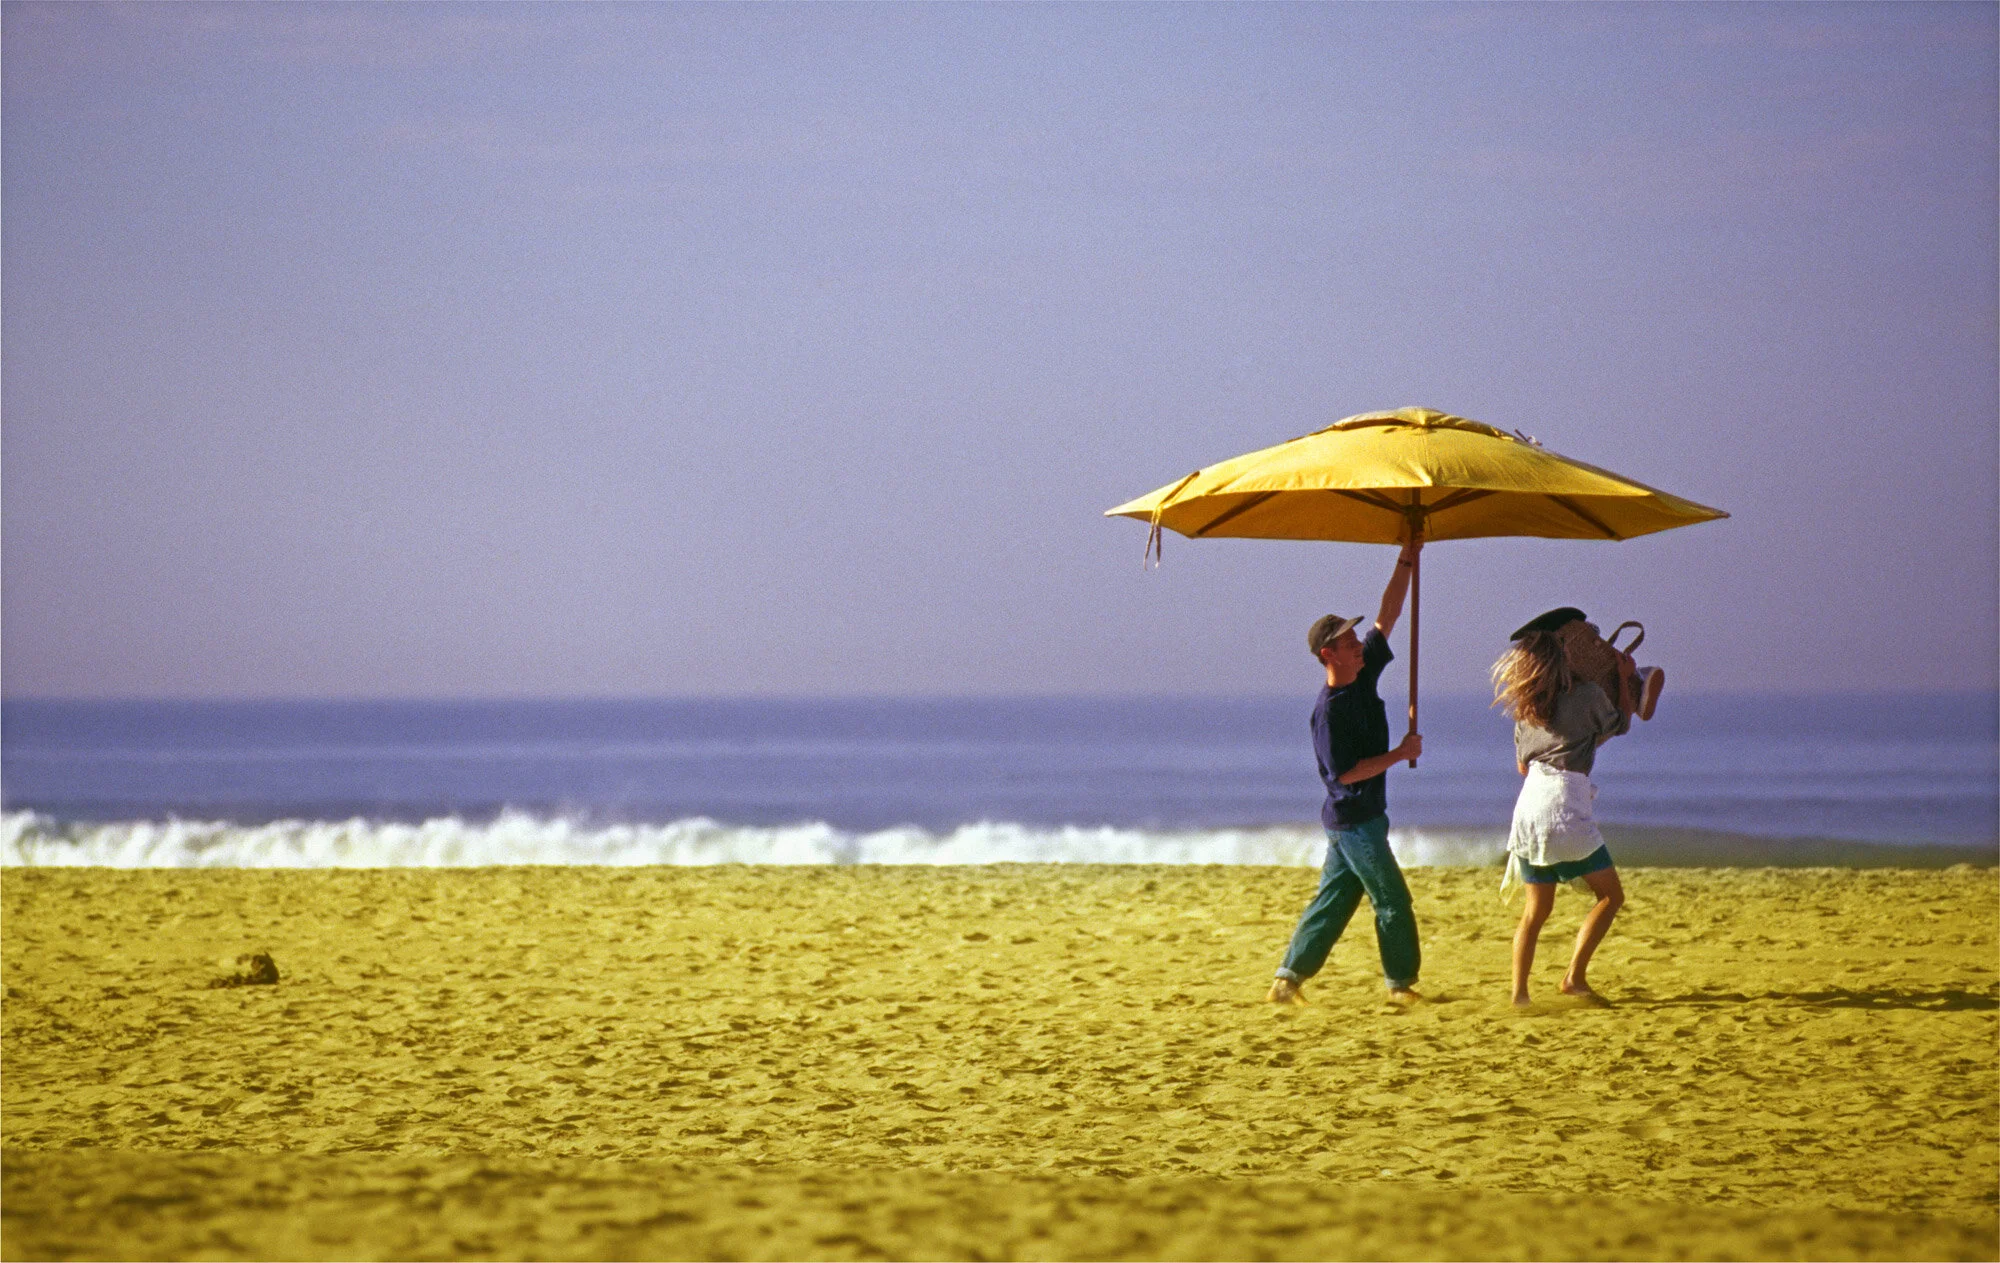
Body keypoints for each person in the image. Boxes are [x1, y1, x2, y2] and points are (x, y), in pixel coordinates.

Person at [1267, 534, 1425, 1007]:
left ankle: (1287, 980)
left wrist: (1407, 558)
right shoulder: (1329, 713)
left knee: (1334, 901)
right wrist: (1399, 753)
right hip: (1355, 819)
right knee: (1392, 900)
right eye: (1348, 643)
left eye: (1356, 641)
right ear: (1328, 655)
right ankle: (1400, 985)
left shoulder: (1363, 672)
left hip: (1356, 819)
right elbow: (1346, 775)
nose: (1359, 646)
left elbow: (1388, 615)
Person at [1491, 607, 1647, 1007]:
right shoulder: (1588, 695)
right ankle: (1574, 978)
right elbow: (1620, 723)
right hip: (1563, 802)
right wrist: (1625, 678)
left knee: (1535, 911)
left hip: (1528, 808)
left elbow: (1523, 765)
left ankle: (1519, 996)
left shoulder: (1526, 706)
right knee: (1610, 897)